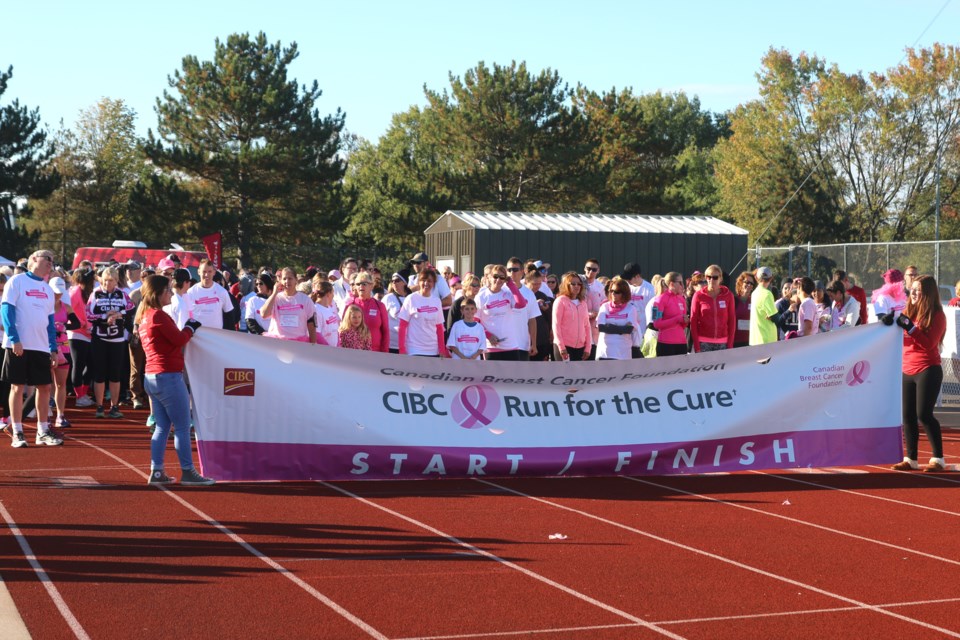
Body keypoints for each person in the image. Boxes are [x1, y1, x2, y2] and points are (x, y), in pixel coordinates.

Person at [136, 275, 214, 485]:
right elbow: (179, 339)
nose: (171, 293)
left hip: (152, 376)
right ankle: (188, 472)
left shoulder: (144, 316)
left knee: (162, 427)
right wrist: (190, 327)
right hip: (167, 376)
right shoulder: (158, 316)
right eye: (168, 290)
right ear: (159, 293)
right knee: (182, 426)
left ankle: (157, 470)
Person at [1, 250, 62, 447]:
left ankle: (42, 431)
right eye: (48, 259)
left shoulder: (47, 289)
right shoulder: (16, 281)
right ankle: (17, 431)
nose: (51, 264)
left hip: (41, 346)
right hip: (19, 344)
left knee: (44, 387)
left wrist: (53, 348)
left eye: (52, 261)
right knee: (17, 387)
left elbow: (50, 322)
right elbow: (6, 310)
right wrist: (14, 338)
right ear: (34, 259)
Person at [888, 275, 947, 472]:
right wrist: (887, 325)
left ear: (928, 293)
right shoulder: (908, 311)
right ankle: (910, 458)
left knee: (924, 414)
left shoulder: (938, 315)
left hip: (928, 369)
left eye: (918, 289)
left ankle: (938, 458)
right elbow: (897, 337)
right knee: (907, 416)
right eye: (911, 289)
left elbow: (929, 344)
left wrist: (911, 328)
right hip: (906, 369)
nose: (912, 292)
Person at [87, 266, 134, 419]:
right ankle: (100, 406)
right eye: (105, 280)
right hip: (100, 338)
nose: (108, 284)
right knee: (99, 373)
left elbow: (131, 308)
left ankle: (114, 406)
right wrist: (104, 315)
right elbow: (88, 314)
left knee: (115, 374)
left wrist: (119, 313)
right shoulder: (95, 294)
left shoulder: (122, 294)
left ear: (116, 281)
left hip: (118, 339)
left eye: (111, 281)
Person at [475, 264, 529, 360]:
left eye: (502, 277)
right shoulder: (481, 296)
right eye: (495, 276)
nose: (498, 280)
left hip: (510, 345)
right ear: (490, 277)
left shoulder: (508, 294)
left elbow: (521, 304)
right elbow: (475, 321)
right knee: (492, 375)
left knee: (512, 375)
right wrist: (488, 335)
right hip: (491, 346)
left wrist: (511, 285)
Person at [49, 277, 80, 429]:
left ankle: (60, 415)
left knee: (61, 384)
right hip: (46, 348)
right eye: (55, 292)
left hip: (64, 348)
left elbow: (77, 323)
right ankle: (45, 414)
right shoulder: (42, 306)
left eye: (60, 293)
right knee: (45, 385)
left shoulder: (66, 307)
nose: (58, 295)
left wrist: (62, 327)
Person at [398, 268, 449, 357]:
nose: (426, 283)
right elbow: (402, 326)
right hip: (414, 350)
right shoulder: (411, 299)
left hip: (433, 351)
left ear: (433, 284)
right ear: (419, 282)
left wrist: (442, 349)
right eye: (423, 280)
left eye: (429, 281)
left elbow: (439, 328)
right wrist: (402, 350)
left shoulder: (437, 301)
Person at [260, 267, 317, 343]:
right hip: (277, 342)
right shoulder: (275, 298)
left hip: (298, 343)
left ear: (296, 280)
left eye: (290, 278)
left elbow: (311, 324)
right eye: (284, 279)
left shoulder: (305, 300)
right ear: (280, 281)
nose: (287, 281)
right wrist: (274, 294)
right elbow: (264, 314)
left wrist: (313, 345)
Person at [690, 264, 736, 352]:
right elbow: (693, 321)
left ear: (720, 279)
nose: (711, 280)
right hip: (703, 342)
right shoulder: (698, 295)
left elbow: (732, 321)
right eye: (708, 277)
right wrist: (697, 346)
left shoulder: (728, 296)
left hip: (723, 343)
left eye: (715, 277)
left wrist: (730, 345)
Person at [68, 266, 96, 407]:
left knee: (91, 365)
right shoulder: (75, 291)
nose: (93, 279)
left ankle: (83, 393)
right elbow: (68, 310)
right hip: (77, 334)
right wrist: (83, 323)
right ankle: (79, 396)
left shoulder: (86, 292)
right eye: (90, 276)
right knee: (78, 365)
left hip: (88, 334)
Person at [344, 271, 389, 352]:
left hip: (376, 352)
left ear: (371, 286)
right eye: (358, 284)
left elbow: (385, 331)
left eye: (364, 283)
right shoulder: (350, 306)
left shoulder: (379, 306)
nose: (361, 286)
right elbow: (343, 330)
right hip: (354, 352)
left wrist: (385, 353)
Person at [551, 272, 592, 362]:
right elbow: (556, 325)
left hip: (580, 348)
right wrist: (561, 347)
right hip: (564, 347)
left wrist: (588, 347)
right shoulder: (560, 301)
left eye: (579, 284)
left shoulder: (583, 303)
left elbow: (587, 326)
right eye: (573, 284)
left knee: (578, 376)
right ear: (566, 285)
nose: (577, 286)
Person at [506, 257, 541, 359]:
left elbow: (532, 320)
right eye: (509, 270)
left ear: (522, 272)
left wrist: (533, 344)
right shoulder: (501, 290)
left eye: (515, 270)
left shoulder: (529, 293)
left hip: (522, 344)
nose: (512, 273)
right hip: (502, 346)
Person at [596, 278, 639, 360]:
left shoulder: (631, 309)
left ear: (624, 293)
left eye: (617, 292)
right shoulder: (604, 307)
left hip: (623, 353)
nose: (613, 294)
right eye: (611, 291)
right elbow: (601, 327)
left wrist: (609, 326)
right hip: (605, 353)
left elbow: (629, 329)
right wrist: (621, 328)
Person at [184, 259, 234, 329]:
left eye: (209, 271)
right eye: (204, 272)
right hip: (197, 336)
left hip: (216, 336)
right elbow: (186, 316)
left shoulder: (222, 292)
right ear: (198, 272)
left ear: (214, 272)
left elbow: (229, 316)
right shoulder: (191, 292)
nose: (206, 275)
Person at [651, 272, 689, 357]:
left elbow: (682, 325)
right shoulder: (659, 300)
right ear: (672, 284)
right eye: (680, 282)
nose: (682, 285)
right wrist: (677, 319)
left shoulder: (682, 299)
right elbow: (656, 324)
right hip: (665, 344)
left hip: (681, 343)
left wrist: (685, 321)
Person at [525, 268, 553, 361]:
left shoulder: (543, 295)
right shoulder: (521, 295)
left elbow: (550, 316)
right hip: (525, 339)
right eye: (534, 284)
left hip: (541, 339)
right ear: (526, 282)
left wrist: (546, 309)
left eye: (539, 284)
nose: (537, 286)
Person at [749, 266, 782, 346]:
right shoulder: (767, 294)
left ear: (756, 278)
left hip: (755, 340)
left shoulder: (754, 293)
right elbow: (777, 319)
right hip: (766, 340)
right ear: (771, 278)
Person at [583, 258, 604, 359]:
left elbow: (604, 305)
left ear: (598, 271)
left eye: (594, 269)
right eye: (588, 268)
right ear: (584, 268)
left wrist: (597, 313)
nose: (591, 271)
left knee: (592, 356)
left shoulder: (600, 287)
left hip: (594, 328)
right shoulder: (578, 282)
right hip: (579, 325)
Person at [311, 280, 340, 347]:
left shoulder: (330, 308)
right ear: (328, 294)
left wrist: (338, 344)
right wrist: (327, 348)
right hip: (324, 351)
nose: (333, 296)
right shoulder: (316, 310)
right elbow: (316, 333)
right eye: (332, 293)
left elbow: (335, 330)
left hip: (334, 349)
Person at [733, 272, 755, 348]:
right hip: (734, 342)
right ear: (741, 283)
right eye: (747, 282)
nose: (749, 285)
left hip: (751, 342)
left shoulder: (754, 301)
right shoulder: (733, 300)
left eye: (751, 283)